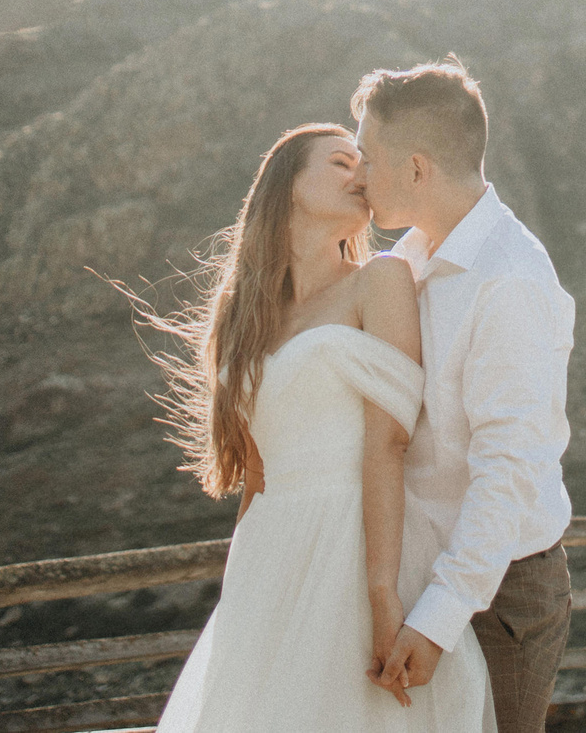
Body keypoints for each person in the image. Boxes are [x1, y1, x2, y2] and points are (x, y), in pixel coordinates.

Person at [147, 123, 494, 733]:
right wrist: (242, 596)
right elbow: (254, 475)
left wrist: (383, 597)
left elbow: (388, 444)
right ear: (285, 184)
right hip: (268, 554)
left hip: (354, 544)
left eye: (364, 163)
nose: (360, 174)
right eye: (340, 161)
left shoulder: (379, 280)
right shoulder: (244, 319)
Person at [354, 61, 577, 732]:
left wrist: (440, 615)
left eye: (367, 156)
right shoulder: (416, 259)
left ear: (417, 168)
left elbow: (508, 469)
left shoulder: (509, 279)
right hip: (431, 572)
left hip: (498, 592)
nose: (359, 173)